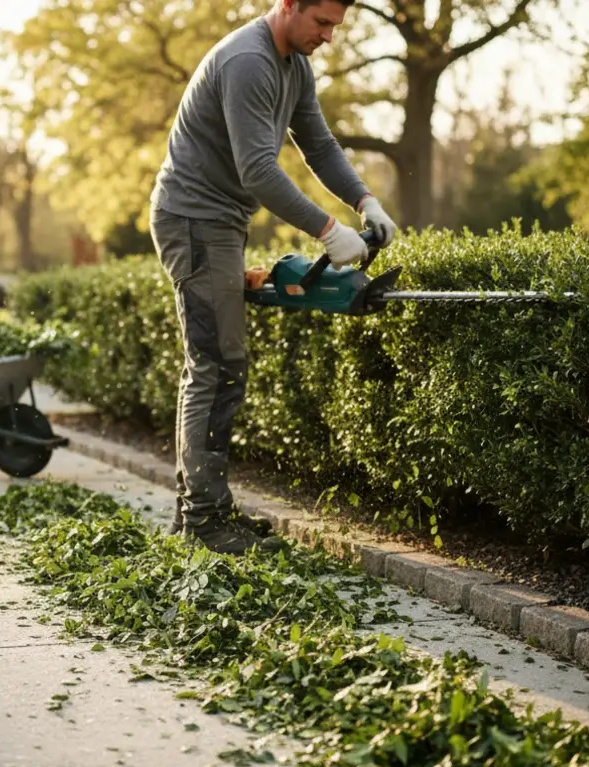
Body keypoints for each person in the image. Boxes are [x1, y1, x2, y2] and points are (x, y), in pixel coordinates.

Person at [148, 0, 398, 555]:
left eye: (335, 25)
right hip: (194, 219)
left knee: (218, 362)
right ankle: (202, 522)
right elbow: (258, 169)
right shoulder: (248, 61)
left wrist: (365, 200)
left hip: (218, 221)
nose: (329, 36)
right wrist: (329, 231)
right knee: (215, 363)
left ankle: (200, 514)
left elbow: (320, 145)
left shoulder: (294, 65)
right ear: (288, 5)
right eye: (322, 22)